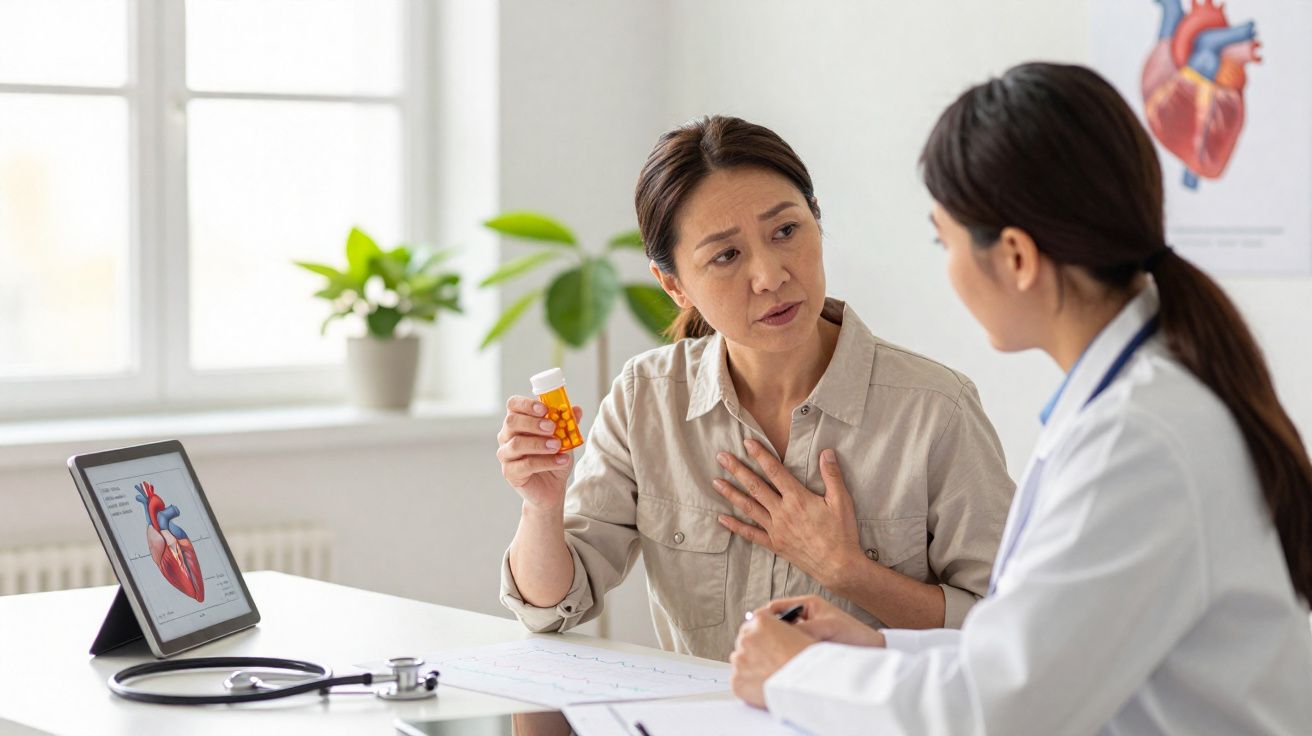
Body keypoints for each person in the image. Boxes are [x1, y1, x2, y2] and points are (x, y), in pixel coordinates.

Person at [729, 62, 1312, 734]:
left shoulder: (1139, 439)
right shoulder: (1140, 398)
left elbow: (1004, 709)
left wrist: (794, 675)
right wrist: (878, 646)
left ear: (1015, 258)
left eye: (942, 240)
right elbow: (1042, 652)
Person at [495, 115, 1016, 661]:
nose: (770, 275)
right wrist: (541, 504)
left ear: (817, 219)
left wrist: (848, 572)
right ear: (674, 285)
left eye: (786, 231)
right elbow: (551, 606)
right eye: (726, 255)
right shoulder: (644, 399)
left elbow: (1005, 626)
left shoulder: (936, 409)